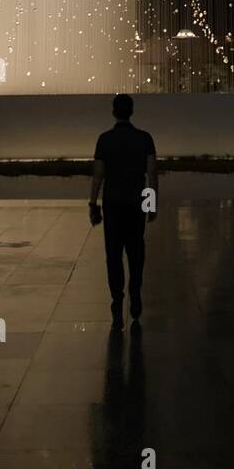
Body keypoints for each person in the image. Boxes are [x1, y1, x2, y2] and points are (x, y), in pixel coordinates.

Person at [89, 94, 157, 327]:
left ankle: (117, 300)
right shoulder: (145, 138)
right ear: (132, 111)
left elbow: (98, 175)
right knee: (136, 249)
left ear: (113, 112)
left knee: (114, 253)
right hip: (136, 203)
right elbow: (152, 175)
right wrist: (151, 205)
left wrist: (93, 204)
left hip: (113, 203)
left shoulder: (104, 140)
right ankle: (135, 292)